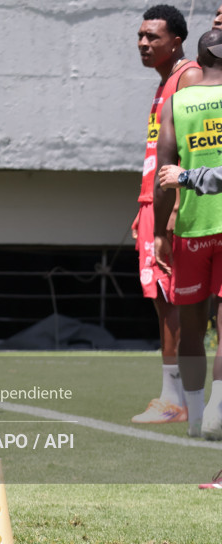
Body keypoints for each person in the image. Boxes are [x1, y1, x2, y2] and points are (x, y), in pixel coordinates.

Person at [130, 5, 202, 424]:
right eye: (140, 36)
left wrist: (173, 209)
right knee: (161, 299)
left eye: (152, 37)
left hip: (174, 207)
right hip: (152, 204)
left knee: (174, 298)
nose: (143, 43)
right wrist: (144, 206)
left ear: (176, 42)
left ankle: (177, 400)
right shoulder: (164, 82)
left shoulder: (188, 76)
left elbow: (194, 148)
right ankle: (174, 396)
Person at [153, 28, 222, 442]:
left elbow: (164, 174)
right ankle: (218, 410)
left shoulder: (176, 102)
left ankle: (196, 418)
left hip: (192, 227)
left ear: (198, 60)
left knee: (192, 326)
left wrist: (160, 231)